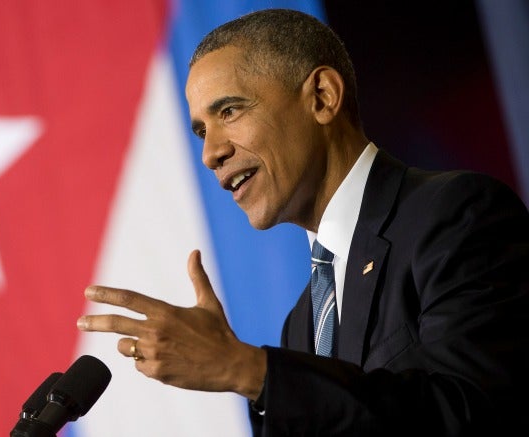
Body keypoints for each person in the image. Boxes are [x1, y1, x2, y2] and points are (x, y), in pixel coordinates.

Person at [76, 8, 529, 436]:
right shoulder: (303, 324)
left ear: (322, 97)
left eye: (229, 111)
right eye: (201, 130)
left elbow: (470, 411)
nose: (210, 153)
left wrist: (245, 368)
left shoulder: (455, 214)